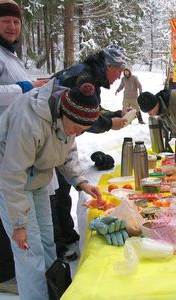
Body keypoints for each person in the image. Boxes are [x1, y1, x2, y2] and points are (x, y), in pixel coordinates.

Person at [0, 81, 102, 300]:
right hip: (12, 181)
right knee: (29, 251)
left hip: (38, 176)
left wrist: (80, 181)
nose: (76, 134)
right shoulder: (29, 122)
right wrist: (19, 224)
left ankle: (52, 292)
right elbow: (12, 175)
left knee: (47, 242)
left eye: (82, 131)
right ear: (64, 114)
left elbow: (67, 152)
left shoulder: (66, 118)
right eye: (77, 129)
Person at [0, 0, 48, 294]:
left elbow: (17, 87)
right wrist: (28, 87)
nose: (12, 27)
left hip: (17, 141)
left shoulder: (7, 52)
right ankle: (4, 274)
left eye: (16, 22)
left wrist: (33, 86)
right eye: (6, 22)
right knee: (8, 209)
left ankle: (5, 271)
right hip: (0, 144)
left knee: (6, 208)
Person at [51, 44, 127, 260]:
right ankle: (58, 246)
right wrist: (109, 124)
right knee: (54, 192)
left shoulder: (90, 75)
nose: (118, 77)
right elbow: (82, 117)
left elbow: (90, 112)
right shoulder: (85, 78)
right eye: (118, 72)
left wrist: (113, 115)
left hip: (62, 137)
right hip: (52, 138)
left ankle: (66, 235)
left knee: (63, 188)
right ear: (108, 65)